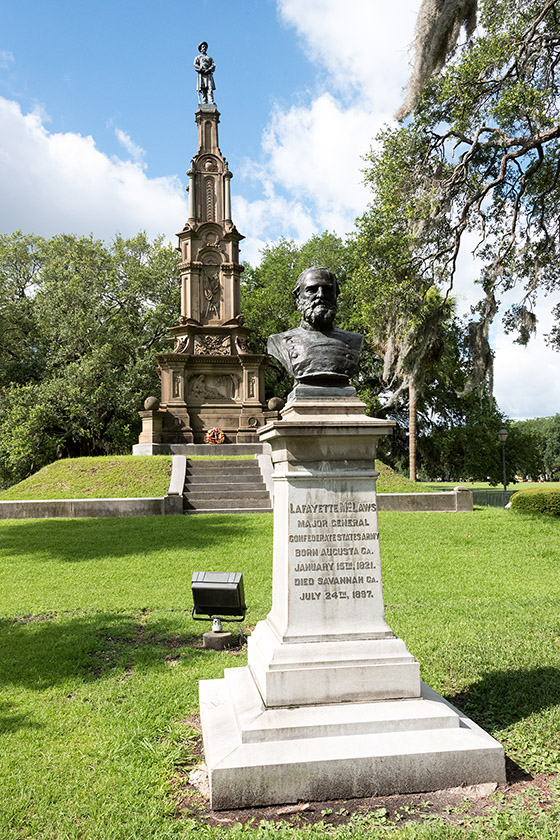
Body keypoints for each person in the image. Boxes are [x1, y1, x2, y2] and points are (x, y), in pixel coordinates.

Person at [267, 267, 363, 386]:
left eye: (328, 289)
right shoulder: (279, 341)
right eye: (312, 290)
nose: (321, 295)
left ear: (336, 295)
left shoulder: (355, 341)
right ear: (298, 298)